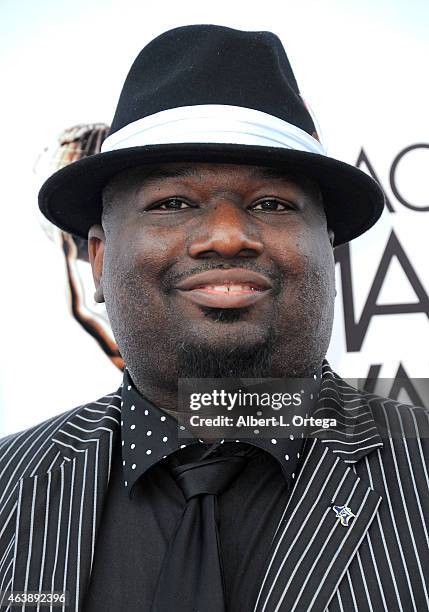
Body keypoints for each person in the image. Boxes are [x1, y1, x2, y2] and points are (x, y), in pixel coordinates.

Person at [1, 24, 428, 612]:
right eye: (172, 203)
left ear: (329, 252)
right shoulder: (8, 484)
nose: (227, 236)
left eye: (272, 204)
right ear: (98, 260)